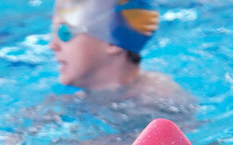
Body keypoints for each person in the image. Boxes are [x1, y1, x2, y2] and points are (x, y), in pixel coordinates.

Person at [47, 0, 195, 113]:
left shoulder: (160, 98)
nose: (52, 45)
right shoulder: (66, 102)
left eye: (64, 32)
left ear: (112, 41)